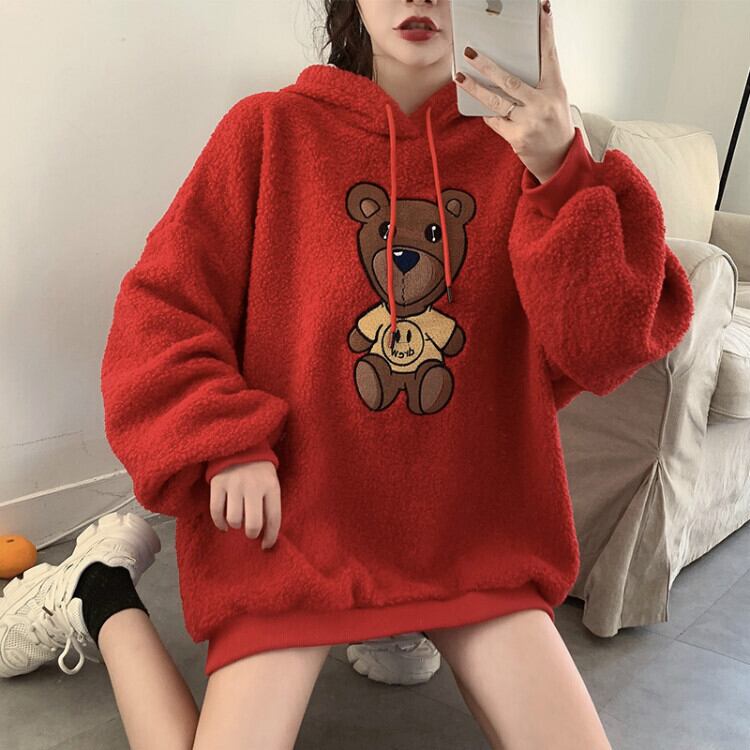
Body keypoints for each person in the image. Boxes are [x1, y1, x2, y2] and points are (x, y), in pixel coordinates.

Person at [0, 0, 695, 747]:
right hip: (297, 523)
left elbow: (608, 343)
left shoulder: (527, 150)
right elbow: (162, 310)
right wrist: (226, 441)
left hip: (472, 529)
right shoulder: (269, 131)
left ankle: (398, 621)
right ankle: (100, 590)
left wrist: (563, 170)